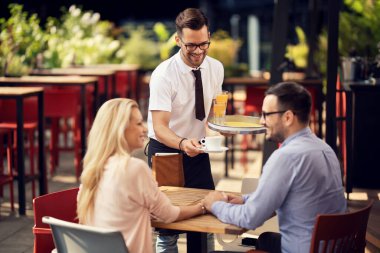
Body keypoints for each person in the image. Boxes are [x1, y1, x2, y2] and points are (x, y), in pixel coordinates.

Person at [203, 82, 347, 253]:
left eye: (266, 115)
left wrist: (215, 205)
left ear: (287, 117)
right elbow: (289, 194)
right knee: (265, 239)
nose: (262, 121)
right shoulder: (325, 148)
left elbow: (250, 218)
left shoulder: (286, 157)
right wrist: (245, 200)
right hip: (331, 246)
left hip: (302, 249)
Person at [77, 98, 207, 253]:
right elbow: (169, 214)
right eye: (139, 123)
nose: (145, 129)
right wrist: (204, 206)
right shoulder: (134, 168)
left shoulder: (92, 171)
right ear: (121, 129)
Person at [147, 7, 224, 252]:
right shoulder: (164, 75)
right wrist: (181, 144)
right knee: (168, 228)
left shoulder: (216, 68)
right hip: (167, 152)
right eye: (191, 45)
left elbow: (212, 115)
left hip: (198, 150)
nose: (198, 51)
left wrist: (221, 128)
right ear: (178, 39)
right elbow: (159, 127)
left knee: (206, 221)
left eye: (204, 44)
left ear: (209, 36)